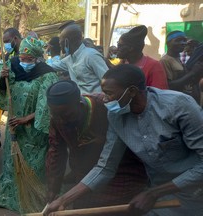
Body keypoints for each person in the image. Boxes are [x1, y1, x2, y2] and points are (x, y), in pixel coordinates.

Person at [45, 64, 203, 215]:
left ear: (132, 91)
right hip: (156, 189)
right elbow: (106, 167)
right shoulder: (116, 115)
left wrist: (155, 193)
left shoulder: (179, 106)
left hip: (194, 191)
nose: (105, 100)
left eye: (109, 93)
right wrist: (64, 200)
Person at [45, 80, 147, 211]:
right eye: (56, 115)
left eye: (67, 115)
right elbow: (56, 151)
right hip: (85, 173)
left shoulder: (106, 107)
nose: (62, 120)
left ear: (80, 104)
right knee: (81, 206)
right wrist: (53, 186)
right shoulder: (58, 118)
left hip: (122, 170)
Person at [0, 36, 59, 212]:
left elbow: (47, 106)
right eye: (22, 58)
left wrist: (26, 119)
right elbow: (3, 90)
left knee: (31, 165)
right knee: (11, 161)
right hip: (14, 126)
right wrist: (2, 77)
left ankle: (31, 198)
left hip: (33, 129)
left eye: (29, 60)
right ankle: (10, 197)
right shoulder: (12, 66)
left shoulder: (48, 74)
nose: (24, 62)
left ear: (37, 59)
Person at [48, 24, 108, 94]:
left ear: (67, 42)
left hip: (98, 103)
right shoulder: (69, 59)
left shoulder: (91, 55)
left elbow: (107, 81)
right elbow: (50, 66)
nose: (60, 46)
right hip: (81, 102)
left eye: (60, 43)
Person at [160, 31, 202, 102]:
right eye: (178, 40)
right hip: (176, 102)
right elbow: (169, 86)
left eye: (184, 40)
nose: (183, 43)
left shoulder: (178, 58)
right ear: (168, 43)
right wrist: (192, 72)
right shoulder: (165, 61)